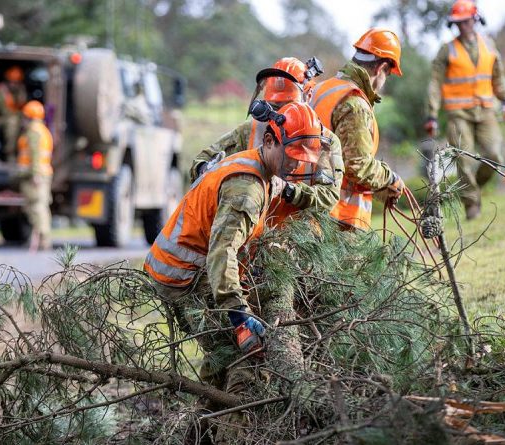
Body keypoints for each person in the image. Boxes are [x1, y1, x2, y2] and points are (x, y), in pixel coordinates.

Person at [144, 102, 324, 400]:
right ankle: (216, 421)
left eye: (301, 160)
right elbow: (222, 252)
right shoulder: (247, 189)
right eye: (291, 156)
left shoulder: (259, 166)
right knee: (236, 352)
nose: (294, 166)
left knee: (230, 351)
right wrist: (238, 314)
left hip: (191, 267)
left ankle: (210, 415)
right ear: (269, 140)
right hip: (181, 276)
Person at [190, 57, 344, 228]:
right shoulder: (250, 131)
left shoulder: (325, 142)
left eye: (288, 105)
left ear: (307, 96)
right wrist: (208, 171)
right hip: (251, 238)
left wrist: (289, 190)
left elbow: (328, 198)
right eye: (275, 106)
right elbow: (200, 162)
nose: (280, 114)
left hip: (298, 242)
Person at [309, 28, 406, 231]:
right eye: (387, 75)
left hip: (311, 205)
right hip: (338, 217)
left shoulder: (323, 89)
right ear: (381, 68)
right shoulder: (355, 104)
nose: (383, 82)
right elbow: (356, 166)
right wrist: (391, 178)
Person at [424, 0, 505, 219]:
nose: (463, 26)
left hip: (485, 110)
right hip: (458, 113)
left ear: (475, 20)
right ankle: (472, 206)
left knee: (494, 156)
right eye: (459, 23)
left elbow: (497, 78)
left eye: (466, 21)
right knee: (464, 159)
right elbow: (435, 83)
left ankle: (473, 190)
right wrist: (431, 114)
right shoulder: (447, 49)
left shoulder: (489, 45)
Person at [17, 100, 54, 252]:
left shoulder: (33, 131)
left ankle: (44, 239)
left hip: (34, 175)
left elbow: (35, 154)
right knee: (41, 205)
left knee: (36, 206)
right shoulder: (43, 130)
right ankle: (42, 239)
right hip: (43, 173)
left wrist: (35, 175)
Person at [0, 66, 28, 161]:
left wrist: (21, 91)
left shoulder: (20, 90)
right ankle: (9, 153)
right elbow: (4, 111)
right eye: (12, 81)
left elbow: (23, 105)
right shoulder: (1, 90)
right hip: (0, 119)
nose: (14, 84)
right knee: (12, 122)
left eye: (17, 82)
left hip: (16, 117)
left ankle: (24, 154)